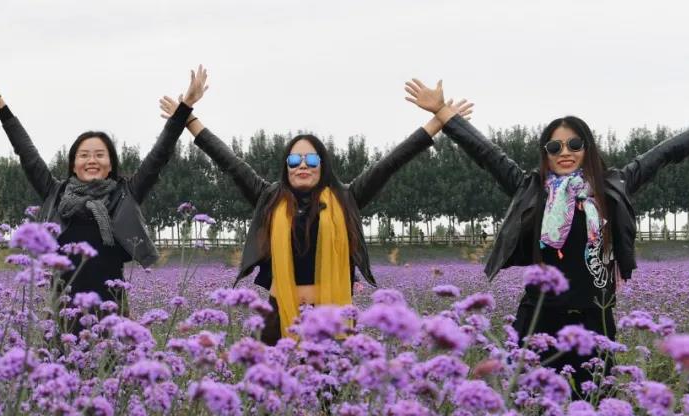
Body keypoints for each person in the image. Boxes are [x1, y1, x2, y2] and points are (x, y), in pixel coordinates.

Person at [407, 78, 689, 394]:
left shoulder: (611, 187)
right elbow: (486, 153)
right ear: (545, 153)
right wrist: (442, 112)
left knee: (594, 407)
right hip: (538, 318)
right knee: (527, 407)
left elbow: (664, 153)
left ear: (587, 148)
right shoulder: (531, 189)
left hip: (594, 319)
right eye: (554, 147)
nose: (565, 152)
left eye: (574, 144)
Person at [163, 81, 472, 344]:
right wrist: (186, 117)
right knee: (270, 404)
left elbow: (391, 163)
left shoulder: (345, 197)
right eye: (294, 161)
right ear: (285, 166)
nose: (302, 167)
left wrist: (439, 119)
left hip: (331, 317)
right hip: (279, 314)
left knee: (331, 403)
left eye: (311, 161)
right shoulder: (269, 198)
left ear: (322, 165)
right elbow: (228, 160)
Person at [0, 65, 208, 315]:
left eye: (99, 155)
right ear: (74, 165)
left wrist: (185, 109)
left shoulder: (124, 194)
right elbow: (26, 151)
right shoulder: (56, 194)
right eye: (84, 155)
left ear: (110, 165)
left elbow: (159, 156)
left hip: (111, 316)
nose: (92, 160)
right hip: (62, 316)